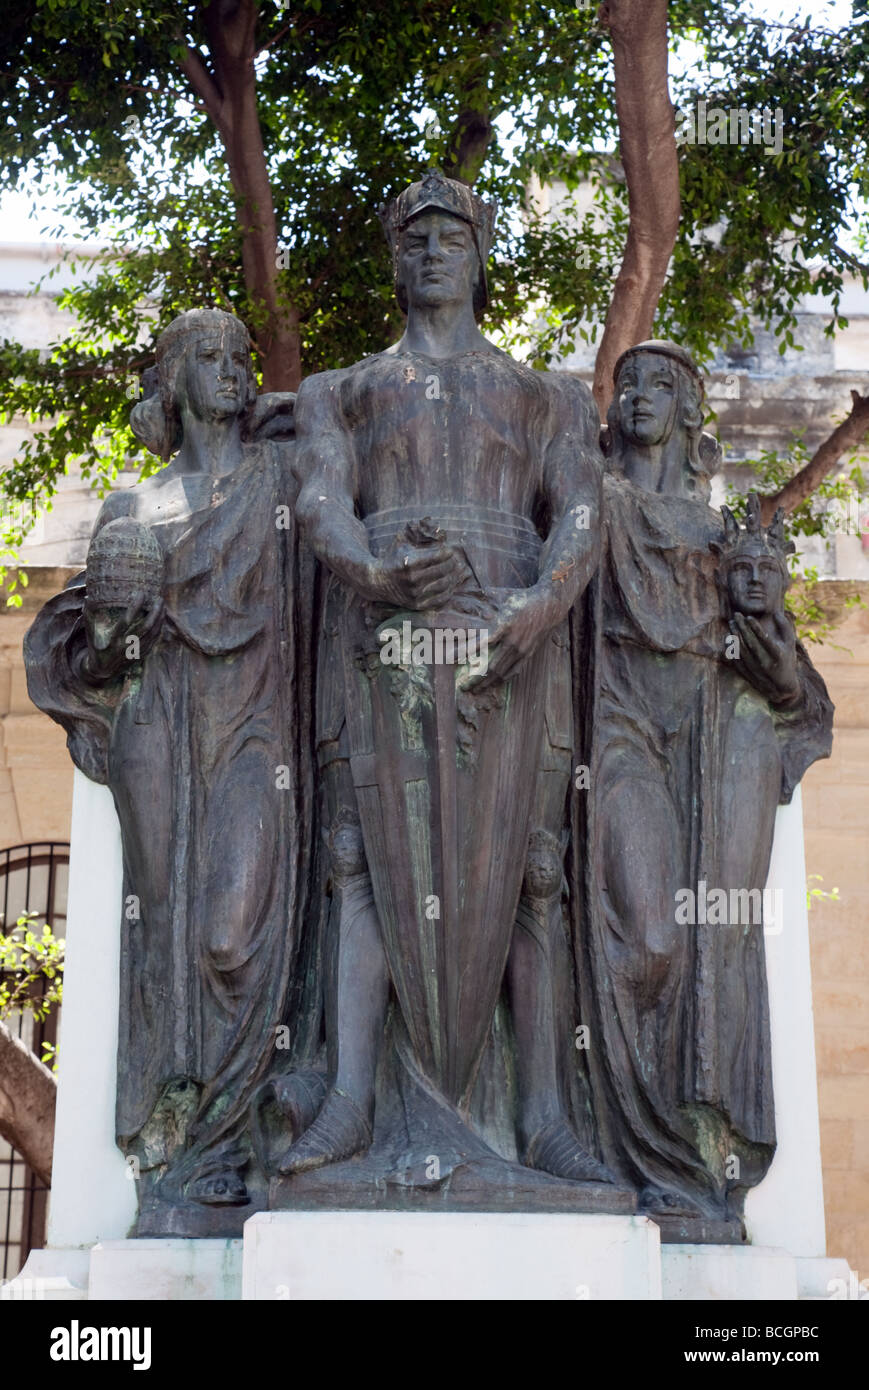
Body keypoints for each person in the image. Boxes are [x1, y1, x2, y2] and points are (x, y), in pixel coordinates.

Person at [283, 171, 612, 1193]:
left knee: (533, 871)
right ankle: (345, 1103)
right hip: (379, 632)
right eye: (413, 236)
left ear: (477, 254)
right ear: (393, 257)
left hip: (509, 635)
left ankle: (545, 1115)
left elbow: (580, 510)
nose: (432, 251)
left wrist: (544, 603)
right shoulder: (338, 390)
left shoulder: (543, 391)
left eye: (451, 235)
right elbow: (320, 502)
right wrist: (373, 573)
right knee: (355, 859)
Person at [25, 309, 311, 1229]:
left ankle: (239, 1128)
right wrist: (110, 628)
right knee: (167, 933)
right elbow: (99, 657)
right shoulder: (129, 510)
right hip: (157, 723)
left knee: (235, 932)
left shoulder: (283, 479)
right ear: (176, 379)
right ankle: (176, 1146)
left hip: (257, 731)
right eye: (211, 358)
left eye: (241, 359)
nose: (231, 372)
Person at [580, 340, 833, 1237]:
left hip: (715, 733)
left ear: (691, 415)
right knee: (646, 936)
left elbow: (790, 690)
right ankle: (628, 1139)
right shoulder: (589, 506)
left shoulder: (730, 536)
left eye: (662, 385)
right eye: (629, 384)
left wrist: (761, 624)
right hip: (618, 735)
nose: (640, 396)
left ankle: (699, 1154)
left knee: (715, 932)